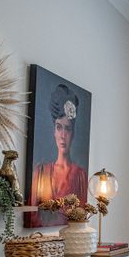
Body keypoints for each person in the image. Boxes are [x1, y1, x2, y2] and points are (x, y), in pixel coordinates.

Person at [28, 84, 88, 227]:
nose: (62, 135)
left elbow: (82, 220)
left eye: (67, 129)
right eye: (59, 127)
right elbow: (31, 217)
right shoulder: (41, 171)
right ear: (54, 131)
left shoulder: (81, 176)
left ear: (73, 133)